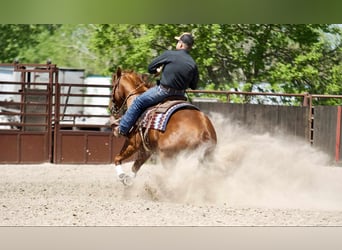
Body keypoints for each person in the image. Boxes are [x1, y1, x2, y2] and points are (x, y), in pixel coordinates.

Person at [113, 32, 199, 137]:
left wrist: (157, 70)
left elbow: (150, 68)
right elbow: (194, 85)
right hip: (181, 96)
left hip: (163, 91)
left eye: (178, 41)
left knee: (138, 102)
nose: (177, 43)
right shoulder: (192, 63)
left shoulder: (169, 54)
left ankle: (122, 129)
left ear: (181, 44)